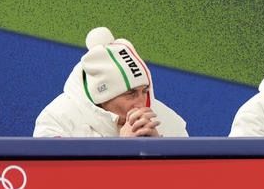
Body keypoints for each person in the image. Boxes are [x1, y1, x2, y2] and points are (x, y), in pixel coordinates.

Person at [34, 27, 187, 137]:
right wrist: (121, 150)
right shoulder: (56, 119)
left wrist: (160, 152)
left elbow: (186, 174)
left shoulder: (168, 121)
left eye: (144, 91)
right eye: (131, 93)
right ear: (102, 95)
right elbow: (52, 174)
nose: (141, 103)